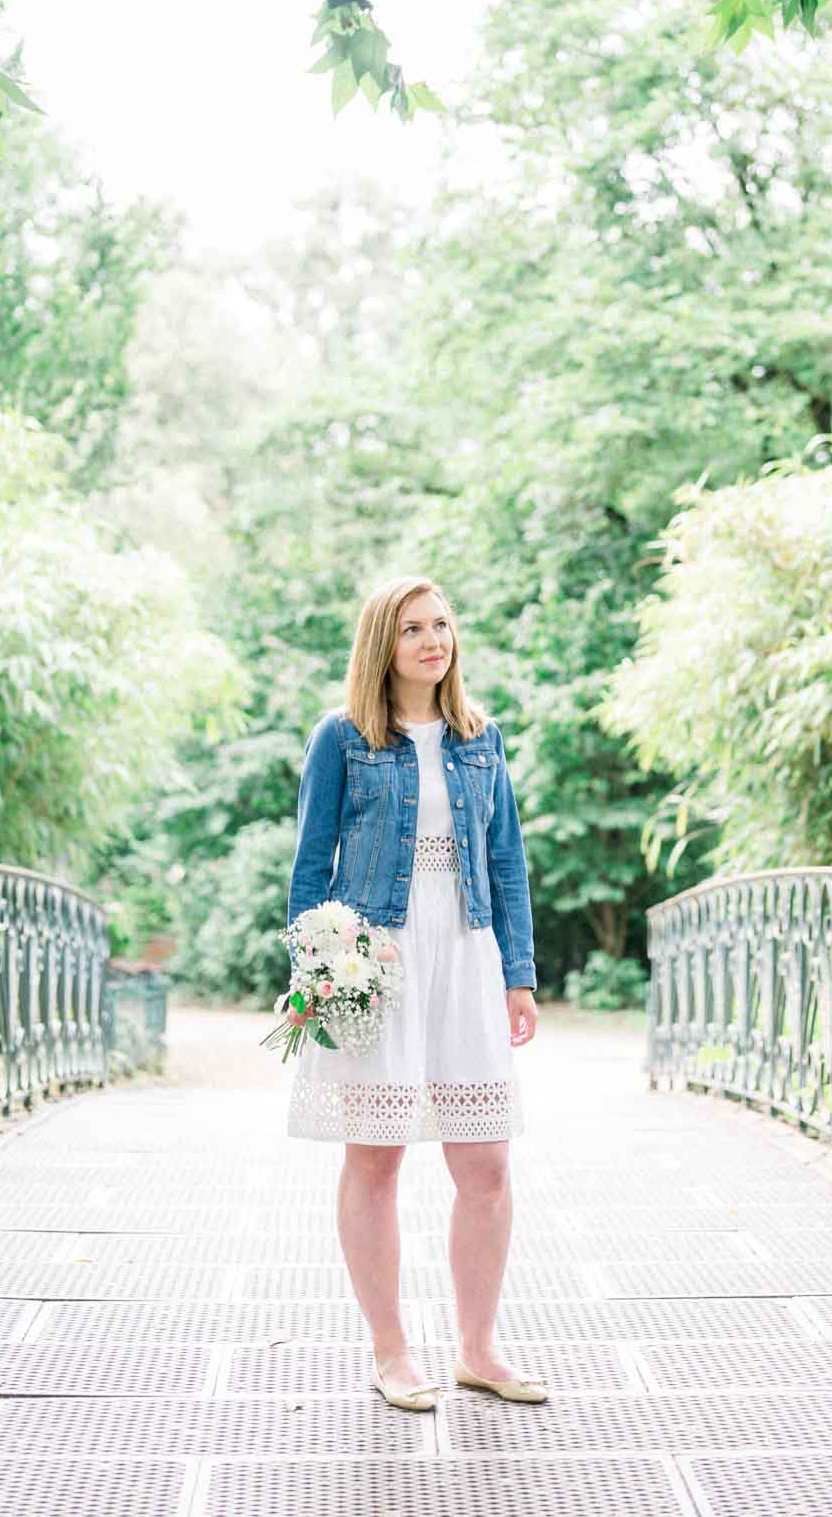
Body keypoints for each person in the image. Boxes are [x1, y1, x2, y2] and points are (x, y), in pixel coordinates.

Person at [284, 573, 547, 1412]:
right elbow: (309, 867)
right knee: (377, 1158)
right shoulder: (344, 737)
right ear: (382, 646)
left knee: (488, 1165)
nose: (434, 641)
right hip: (378, 959)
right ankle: (392, 1352)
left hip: (467, 954)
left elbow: (505, 861)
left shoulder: (481, 737)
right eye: (412, 630)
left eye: (442, 625)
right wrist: (311, 971)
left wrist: (519, 972)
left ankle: (478, 1349)